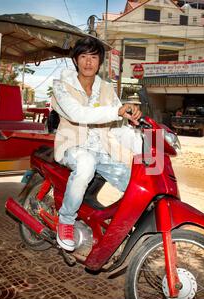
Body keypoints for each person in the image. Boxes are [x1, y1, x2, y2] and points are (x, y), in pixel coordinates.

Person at [51, 36, 142, 251]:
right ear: (75, 60)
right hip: (71, 147)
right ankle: (65, 221)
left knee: (135, 182)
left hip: (102, 151)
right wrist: (117, 111)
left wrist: (133, 122)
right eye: (83, 56)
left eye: (93, 57)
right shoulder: (63, 85)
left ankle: (121, 227)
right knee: (86, 163)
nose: (88, 62)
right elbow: (77, 113)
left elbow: (120, 123)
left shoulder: (107, 89)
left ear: (100, 61)